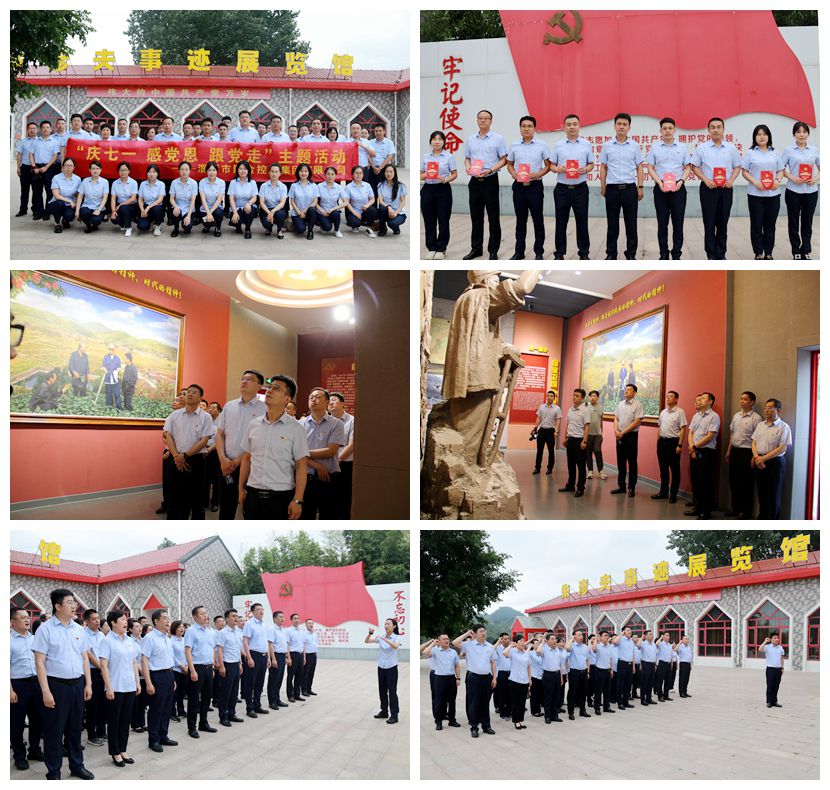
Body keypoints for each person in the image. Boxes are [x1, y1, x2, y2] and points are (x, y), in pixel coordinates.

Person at [32, 589, 94, 780]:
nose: (74, 606)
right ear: (58, 606)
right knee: (54, 731)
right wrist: (45, 691)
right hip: (56, 686)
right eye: (69, 602)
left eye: (74, 602)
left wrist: (88, 684)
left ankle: (77, 765)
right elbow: (39, 662)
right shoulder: (45, 629)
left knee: (75, 729)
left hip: (77, 684)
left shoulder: (79, 629)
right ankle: (54, 772)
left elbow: (85, 658)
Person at [238, 374, 308, 520]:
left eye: (276, 388)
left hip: (281, 498)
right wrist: (241, 489)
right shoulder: (254, 424)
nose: (269, 390)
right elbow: (246, 458)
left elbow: (301, 465)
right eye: (269, 387)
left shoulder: (296, 428)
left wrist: (297, 500)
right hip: (253, 495)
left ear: (287, 399)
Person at [215, 369, 268, 520]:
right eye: (242, 379)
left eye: (249, 379)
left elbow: (261, 441)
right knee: (226, 508)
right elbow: (220, 433)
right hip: (226, 465)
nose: (244, 382)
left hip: (250, 466)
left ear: (259, 386)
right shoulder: (229, 406)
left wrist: (237, 461)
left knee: (249, 509)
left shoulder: (264, 409)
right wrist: (223, 459)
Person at [691, 117, 742, 259]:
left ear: (723, 129)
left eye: (719, 127)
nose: (716, 130)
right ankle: (711, 254)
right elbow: (694, 167)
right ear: (708, 130)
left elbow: (737, 166)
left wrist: (731, 180)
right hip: (708, 189)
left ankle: (721, 253)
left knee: (722, 222)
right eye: (712, 127)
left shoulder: (731, 148)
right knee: (709, 222)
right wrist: (706, 180)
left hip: (726, 189)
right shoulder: (702, 148)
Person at [163, 383, 214, 519]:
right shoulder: (174, 415)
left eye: (194, 392)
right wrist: (176, 456)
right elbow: (168, 436)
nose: (190, 394)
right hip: (175, 459)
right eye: (188, 392)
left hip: (195, 460)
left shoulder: (206, 417)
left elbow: (204, 440)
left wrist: (185, 456)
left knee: (196, 498)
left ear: (200, 397)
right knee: (175, 496)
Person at [462, 110, 507, 261]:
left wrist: (491, 170)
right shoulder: (470, 139)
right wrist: (468, 168)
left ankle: (493, 250)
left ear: (491, 121)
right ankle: (476, 249)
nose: (483, 120)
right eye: (480, 118)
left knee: (493, 217)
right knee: (476, 217)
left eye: (486, 118)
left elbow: (504, 159)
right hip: (475, 182)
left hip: (490, 180)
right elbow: (467, 158)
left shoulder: (498, 138)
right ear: (477, 120)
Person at [599, 112, 644, 260]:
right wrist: (603, 186)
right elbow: (603, 167)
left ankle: (631, 254)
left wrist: (640, 187)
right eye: (619, 124)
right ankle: (611, 254)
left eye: (625, 124)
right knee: (612, 224)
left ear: (629, 127)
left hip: (629, 189)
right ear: (614, 126)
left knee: (631, 224)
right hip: (612, 189)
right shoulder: (607, 145)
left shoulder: (634, 146)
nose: (621, 127)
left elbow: (639, 167)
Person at [645, 117, 692, 260]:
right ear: (660, 131)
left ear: (674, 130)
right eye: (664, 128)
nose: (667, 131)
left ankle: (676, 254)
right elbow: (650, 167)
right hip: (661, 188)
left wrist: (681, 181)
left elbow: (688, 167)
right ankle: (664, 254)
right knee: (662, 223)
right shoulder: (655, 147)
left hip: (678, 188)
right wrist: (659, 183)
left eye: (670, 128)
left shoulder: (682, 147)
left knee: (678, 223)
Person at [550, 113, 594, 260]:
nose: (572, 127)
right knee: (561, 222)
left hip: (580, 189)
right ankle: (559, 254)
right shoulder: (558, 145)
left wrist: (586, 169)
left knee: (582, 222)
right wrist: (557, 169)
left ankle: (584, 253)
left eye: (575, 124)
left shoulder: (586, 144)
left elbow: (591, 164)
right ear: (564, 127)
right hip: (562, 189)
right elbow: (551, 165)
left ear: (579, 126)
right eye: (568, 124)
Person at [98, 611, 139, 768]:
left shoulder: (129, 640)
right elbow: (103, 665)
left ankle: (123, 749)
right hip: (115, 687)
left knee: (125, 720)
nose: (125, 621)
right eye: (122, 619)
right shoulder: (107, 641)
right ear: (113, 622)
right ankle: (115, 752)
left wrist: (137, 682)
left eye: (126, 619)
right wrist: (109, 687)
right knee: (114, 721)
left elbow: (134, 662)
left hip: (129, 686)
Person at [506, 115, 550, 260]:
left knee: (538, 219)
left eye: (529, 126)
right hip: (519, 187)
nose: (526, 129)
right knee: (520, 220)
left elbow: (548, 165)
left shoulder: (542, 145)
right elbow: (509, 164)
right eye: (523, 126)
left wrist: (538, 174)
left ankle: (539, 252)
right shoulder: (514, 145)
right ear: (520, 128)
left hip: (535, 186)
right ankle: (519, 252)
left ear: (534, 128)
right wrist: (513, 173)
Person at [299, 386, 346, 520]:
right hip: (305, 477)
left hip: (329, 478)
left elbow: (331, 451)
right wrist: (317, 466)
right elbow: (294, 452)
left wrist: (303, 453)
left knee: (329, 516)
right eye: (311, 397)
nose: (313, 400)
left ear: (327, 402)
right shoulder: (300, 424)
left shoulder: (336, 424)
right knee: (305, 516)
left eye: (318, 397)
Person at [741, 124, 785, 259]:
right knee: (756, 225)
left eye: (764, 134)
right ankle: (758, 252)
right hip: (755, 195)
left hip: (773, 194)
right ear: (754, 137)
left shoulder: (775, 153)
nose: (762, 137)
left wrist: (777, 180)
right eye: (759, 134)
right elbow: (744, 171)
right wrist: (755, 182)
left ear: (769, 136)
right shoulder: (750, 153)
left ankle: (769, 252)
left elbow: (781, 170)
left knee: (770, 225)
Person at [10, 607, 44, 771]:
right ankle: (19, 756)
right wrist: (10, 690)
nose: (27, 619)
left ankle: (34, 750)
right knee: (16, 723)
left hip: (36, 683)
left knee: (38, 720)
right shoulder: (8, 641)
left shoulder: (35, 639)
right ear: (12, 622)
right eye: (22, 617)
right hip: (18, 685)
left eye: (27, 617)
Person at [782, 121, 821, 260]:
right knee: (793, 222)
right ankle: (796, 251)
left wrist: (816, 179)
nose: (801, 134)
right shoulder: (788, 150)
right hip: (793, 191)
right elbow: (781, 169)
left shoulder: (814, 150)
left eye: (804, 132)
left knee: (807, 222)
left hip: (811, 191)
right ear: (794, 134)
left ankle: (806, 250)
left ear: (808, 134)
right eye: (798, 132)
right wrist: (792, 177)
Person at [140, 610, 177, 753]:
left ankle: (163, 736)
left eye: (168, 618)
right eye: (165, 618)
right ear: (156, 621)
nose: (168, 621)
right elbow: (144, 660)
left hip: (169, 674)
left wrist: (172, 678)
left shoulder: (167, 638)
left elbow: (168, 659)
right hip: (157, 676)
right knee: (156, 709)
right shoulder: (150, 638)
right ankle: (153, 740)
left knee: (167, 708)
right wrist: (148, 683)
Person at [751, 398, 793, 520]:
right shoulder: (760, 425)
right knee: (761, 493)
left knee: (774, 494)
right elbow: (754, 442)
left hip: (775, 463)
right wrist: (756, 456)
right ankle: (762, 520)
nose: (766, 410)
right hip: (759, 460)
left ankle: (773, 523)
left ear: (778, 410)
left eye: (770, 407)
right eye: (765, 407)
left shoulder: (784, 427)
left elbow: (782, 448)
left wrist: (763, 458)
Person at [453, 625, 497, 738]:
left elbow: (493, 662)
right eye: (481, 631)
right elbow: (455, 642)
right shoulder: (468, 645)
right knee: (473, 703)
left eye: (484, 631)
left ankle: (486, 726)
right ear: (475, 633)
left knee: (485, 703)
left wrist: (494, 678)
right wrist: (467, 634)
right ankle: (474, 727)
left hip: (487, 678)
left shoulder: (490, 646)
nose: (484, 633)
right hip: (473, 678)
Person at [421, 130, 457, 259]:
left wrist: (445, 179)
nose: (437, 142)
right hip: (428, 189)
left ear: (444, 142)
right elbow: (420, 174)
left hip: (443, 189)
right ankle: (431, 247)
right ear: (430, 142)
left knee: (443, 219)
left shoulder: (449, 157)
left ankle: (441, 249)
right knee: (429, 220)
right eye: (434, 139)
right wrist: (425, 175)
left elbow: (454, 174)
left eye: (440, 139)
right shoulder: (426, 157)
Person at [725, 390, 762, 519]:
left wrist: (754, 456)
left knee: (746, 484)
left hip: (747, 453)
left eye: (745, 399)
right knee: (734, 482)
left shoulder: (756, 418)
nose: (741, 401)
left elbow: (757, 439)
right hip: (735, 451)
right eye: (741, 398)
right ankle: (736, 509)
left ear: (752, 402)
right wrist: (729, 451)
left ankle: (746, 513)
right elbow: (732, 434)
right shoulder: (736, 416)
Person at [685, 391, 720, 520]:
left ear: (710, 401)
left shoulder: (714, 416)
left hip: (706, 452)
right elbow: (691, 432)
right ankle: (697, 506)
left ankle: (706, 511)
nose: (700, 400)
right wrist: (691, 448)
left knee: (705, 482)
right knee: (695, 480)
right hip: (694, 450)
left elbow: (710, 436)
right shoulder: (696, 416)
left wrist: (694, 446)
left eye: (704, 398)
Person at [183, 605, 216, 739]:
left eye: (206, 613)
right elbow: (187, 651)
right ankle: (192, 727)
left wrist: (212, 667)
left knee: (207, 697)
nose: (205, 615)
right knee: (194, 699)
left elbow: (212, 650)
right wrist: (192, 670)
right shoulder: (191, 631)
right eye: (202, 613)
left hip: (208, 667)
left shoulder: (210, 631)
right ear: (195, 617)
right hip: (197, 668)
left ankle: (203, 723)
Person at [654, 390, 687, 503]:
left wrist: (679, 444)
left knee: (675, 470)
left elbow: (683, 429)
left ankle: (673, 494)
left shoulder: (680, 412)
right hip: (662, 443)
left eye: (670, 396)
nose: (667, 398)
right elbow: (659, 427)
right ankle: (663, 492)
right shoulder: (663, 412)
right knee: (663, 469)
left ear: (676, 399)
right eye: (667, 396)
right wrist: (658, 442)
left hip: (673, 443)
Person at [366, 618, 401, 724]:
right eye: (385, 624)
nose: (386, 626)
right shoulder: (382, 636)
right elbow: (367, 641)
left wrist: (384, 639)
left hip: (392, 668)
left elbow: (395, 646)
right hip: (381, 667)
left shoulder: (396, 637)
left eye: (388, 624)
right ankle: (384, 711)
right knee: (382, 691)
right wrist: (370, 634)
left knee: (392, 692)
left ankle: (394, 715)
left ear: (394, 626)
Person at [611, 383, 644, 496]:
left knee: (632, 462)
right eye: (626, 389)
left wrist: (623, 432)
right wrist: (616, 431)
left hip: (631, 437)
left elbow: (637, 421)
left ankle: (631, 487)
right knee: (620, 462)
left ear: (634, 392)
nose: (626, 391)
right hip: (619, 435)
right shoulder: (620, 404)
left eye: (629, 389)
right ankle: (621, 486)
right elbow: (616, 418)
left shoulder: (638, 405)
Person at [423, 635, 461, 730]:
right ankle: (438, 721)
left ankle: (452, 720)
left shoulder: (453, 652)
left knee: (452, 701)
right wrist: (433, 643)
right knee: (439, 700)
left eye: (447, 638)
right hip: (440, 679)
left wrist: (458, 678)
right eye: (444, 639)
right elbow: (425, 652)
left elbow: (457, 666)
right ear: (439, 641)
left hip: (451, 678)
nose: (446, 640)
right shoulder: (436, 651)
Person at [327, 391, 354, 519]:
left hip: (345, 465)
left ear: (343, 404)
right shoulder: (326, 421)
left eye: (334, 400)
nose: (331, 403)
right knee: (329, 499)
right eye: (329, 401)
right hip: (327, 465)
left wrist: (336, 460)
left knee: (344, 498)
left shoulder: (351, 421)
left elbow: (351, 445)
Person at [559, 388, 590, 497]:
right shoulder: (570, 410)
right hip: (570, 439)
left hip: (579, 440)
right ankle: (570, 485)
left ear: (582, 398)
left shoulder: (585, 410)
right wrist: (565, 437)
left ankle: (581, 487)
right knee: (570, 464)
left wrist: (584, 441)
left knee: (581, 465)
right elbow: (568, 424)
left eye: (577, 396)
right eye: (574, 395)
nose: (574, 397)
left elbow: (587, 426)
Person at [82, 609, 107, 746]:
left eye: (98, 618)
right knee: (93, 705)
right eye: (94, 619)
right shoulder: (84, 634)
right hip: (92, 671)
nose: (97, 621)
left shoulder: (102, 635)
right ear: (87, 621)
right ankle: (92, 734)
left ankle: (102, 731)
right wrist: (101, 668)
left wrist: (105, 669)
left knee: (103, 703)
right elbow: (89, 655)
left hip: (103, 670)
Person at [216, 609, 243, 726]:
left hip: (236, 664)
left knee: (234, 691)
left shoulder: (238, 632)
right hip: (227, 665)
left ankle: (232, 713)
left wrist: (240, 664)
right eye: (233, 616)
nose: (236, 618)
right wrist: (222, 666)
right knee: (225, 692)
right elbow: (219, 651)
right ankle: (223, 716)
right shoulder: (223, 633)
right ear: (227, 619)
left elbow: (237, 650)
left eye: (236, 616)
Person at [241, 602, 269, 717]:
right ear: (252, 612)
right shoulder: (249, 624)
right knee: (250, 683)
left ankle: (257, 705)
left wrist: (268, 657)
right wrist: (249, 657)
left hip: (263, 656)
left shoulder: (264, 624)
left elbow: (265, 642)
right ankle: (250, 708)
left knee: (259, 682)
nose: (261, 611)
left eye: (262, 609)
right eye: (258, 609)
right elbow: (245, 641)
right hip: (254, 655)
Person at [29, 120, 60, 221]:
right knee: (37, 191)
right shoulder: (35, 141)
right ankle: (38, 212)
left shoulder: (55, 142)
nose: (45, 129)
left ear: (51, 129)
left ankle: (47, 212)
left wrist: (46, 167)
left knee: (49, 191)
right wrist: (34, 167)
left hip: (50, 168)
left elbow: (55, 156)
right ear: (40, 129)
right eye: (43, 127)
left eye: (47, 127)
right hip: (37, 168)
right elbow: (31, 154)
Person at [502, 637, 531, 730]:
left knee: (522, 702)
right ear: (516, 643)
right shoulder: (513, 652)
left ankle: (521, 720)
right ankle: (516, 721)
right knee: (515, 702)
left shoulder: (526, 653)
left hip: (525, 681)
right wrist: (511, 645)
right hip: (515, 681)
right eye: (521, 641)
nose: (523, 642)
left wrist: (530, 679)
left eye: (523, 641)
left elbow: (529, 667)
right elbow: (504, 653)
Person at [47, 156, 82, 233]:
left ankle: (65, 220)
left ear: (74, 167)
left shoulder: (77, 179)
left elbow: (77, 195)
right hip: (56, 203)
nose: (68, 167)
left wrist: (77, 207)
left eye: (70, 165)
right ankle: (57, 223)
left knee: (70, 216)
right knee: (60, 204)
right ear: (62, 167)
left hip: (69, 205)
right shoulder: (56, 178)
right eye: (66, 165)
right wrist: (70, 201)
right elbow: (57, 196)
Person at [536, 632, 563, 723]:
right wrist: (543, 641)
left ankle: (554, 715)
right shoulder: (544, 649)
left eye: (555, 639)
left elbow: (559, 664)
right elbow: (538, 651)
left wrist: (561, 677)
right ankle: (547, 716)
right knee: (548, 696)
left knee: (556, 696)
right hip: (548, 675)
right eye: (552, 639)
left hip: (557, 674)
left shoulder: (557, 650)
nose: (554, 641)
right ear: (547, 641)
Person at [77, 160, 109, 233]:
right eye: (93, 168)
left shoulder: (104, 182)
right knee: (83, 212)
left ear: (100, 170)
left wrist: (99, 210)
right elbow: (80, 196)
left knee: (96, 220)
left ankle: (94, 225)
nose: (95, 170)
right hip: (87, 206)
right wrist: (77, 211)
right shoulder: (85, 181)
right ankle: (88, 225)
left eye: (97, 168)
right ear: (90, 170)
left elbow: (105, 198)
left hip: (99, 207)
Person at [288, 162, 319, 239]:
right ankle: (300, 223)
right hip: (297, 212)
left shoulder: (313, 185)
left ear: (309, 173)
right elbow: (292, 201)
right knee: (300, 230)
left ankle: (310, 230)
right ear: (298, 172)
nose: (303, 173)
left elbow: (315, 201)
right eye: (301, 171)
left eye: (306, 171)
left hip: (308, 212)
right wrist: (298, 212)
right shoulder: (294, 185)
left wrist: (304, 211)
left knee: (313, 210)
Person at [344, 166, 377, 236]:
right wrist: (355, 213)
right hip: (354, 211)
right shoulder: (348, 187)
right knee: (355, 223)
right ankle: (355, 224)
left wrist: (367, 205)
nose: (358, 175)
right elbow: (346, 202)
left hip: (365, 210)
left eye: (360, 173)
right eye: (356, 173)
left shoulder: (367, 185)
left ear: (363, 174)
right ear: (352, 175)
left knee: (372, 210)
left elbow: (372, 199)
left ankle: (369, 228)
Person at [565, 630, 590, 720]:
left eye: (582, 635)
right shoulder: (572, 646)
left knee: (583, 692)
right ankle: (571, 712)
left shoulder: (585, 646)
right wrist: (572, 639)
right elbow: (567, 648)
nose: (581, 636)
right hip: (574, 672)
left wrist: (588, 672)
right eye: (579, 635)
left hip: (583, 672)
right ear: (574, 636)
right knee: (573, 692)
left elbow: (587, 660)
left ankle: (582, 710)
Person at [266, 610, 289, 710]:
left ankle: (277, 699)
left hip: (282, 656)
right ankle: (272, 702)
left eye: (283, 617)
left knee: (279, 679)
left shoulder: (283, 630)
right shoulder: (272, 629)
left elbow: (284, 644)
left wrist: (286, 657)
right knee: (273, 679)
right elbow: (270, 644)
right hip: (275, 656)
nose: (282, 619)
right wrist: (273, 659)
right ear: (274, 619)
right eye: (280, 617)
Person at [258, 163, 289, 238]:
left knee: (280, 215)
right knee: (266, 224)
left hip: (279, 209)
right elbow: (261, 203)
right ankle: (268, 228)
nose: (274, 174)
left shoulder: (283, 187)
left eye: (276, 172)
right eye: (272, 171)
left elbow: (282, 203)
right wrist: (269, 212)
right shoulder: (263, 186)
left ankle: (279, 229)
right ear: (269, 173)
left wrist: (272, 212)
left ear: (280, 173)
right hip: (266, 209)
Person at [109, 161, 138, 237]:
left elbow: (133, 198)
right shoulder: (115, 183)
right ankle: (124, 225)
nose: (123, 172)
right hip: (120, 207)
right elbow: (113, 199)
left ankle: (128, 227)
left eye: (125, 170)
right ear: (118, 171)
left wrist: (120, 205)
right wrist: (113, 211)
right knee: (114, 219)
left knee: (123, 207)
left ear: (129, 171)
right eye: (121, 170)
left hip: (132, 206)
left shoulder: (133, 182)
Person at [168, 161, 197, 237]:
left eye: (186, 170)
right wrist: (175, 206)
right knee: (175, 211)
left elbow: (193, 200)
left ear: (190, 171)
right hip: (178, 207)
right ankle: (176, 228)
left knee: (187, 227)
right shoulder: (174, 183)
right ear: (179, 171)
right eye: (182, 169)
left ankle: (186, 224)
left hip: (189, 209)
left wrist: (188, 216)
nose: (184, 172)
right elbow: (171, 198)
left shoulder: (193, 183)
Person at [15, 121, 38, 217]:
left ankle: (35, 209)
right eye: (30, 128)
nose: (32, 130)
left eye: (34, 128)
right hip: (24, 168)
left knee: (36, 190)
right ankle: (23, 210)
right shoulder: (23, 141)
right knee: (24, 190)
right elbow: (19, 154)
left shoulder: (40, 141)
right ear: (27, 130)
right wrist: (18, 167)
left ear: (37, 130)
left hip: (35, 168)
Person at [315, 166, 346, 237]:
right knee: (327, 228)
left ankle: (337, 230)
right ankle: (323, 225)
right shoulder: (319, 186)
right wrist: (321, 210)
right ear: (325, 175)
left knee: (336, 213)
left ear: (335, 175)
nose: (330, 176)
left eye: (332, 174)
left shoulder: (338, 187)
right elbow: (314, 201)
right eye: (328, 174)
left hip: (333, 211)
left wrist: (334, 208)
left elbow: (346, 202)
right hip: (322, 212)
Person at [366, 122, 396, 196]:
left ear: (384, 131)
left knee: (383, 189)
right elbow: (368, 155)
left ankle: (383, 203)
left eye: (380, 131)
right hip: (372, 169)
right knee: (372, 189)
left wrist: (380, 168)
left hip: (384, 169)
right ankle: (374, 203)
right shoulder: (370, 142)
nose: (378, 133)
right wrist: (374, 167)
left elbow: (390, 156)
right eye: (376, 131)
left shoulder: (389, 143)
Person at [377, 164, 407, 236]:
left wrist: (396, 212)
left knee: (392, 223)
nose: (389, 174)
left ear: (394, 173)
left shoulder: (401, 186)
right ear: (384, 173)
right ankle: (383, 229)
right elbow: (380, 201)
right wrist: (388, 207)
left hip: (398, 212)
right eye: (387, 172)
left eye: (391, 171)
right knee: (381, 209)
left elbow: (403, 201)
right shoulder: (380, 185)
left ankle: (396, 228)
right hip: (387, 210)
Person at [588, 632, 614, 715]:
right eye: (605, 635)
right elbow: (594, 649)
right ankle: (597, 708)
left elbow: (610, 659)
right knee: (598, 691)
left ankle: (606, 707)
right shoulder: (598, 646)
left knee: (607, 690)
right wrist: (596, 639)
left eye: (607, 635)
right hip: (600, 671)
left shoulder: (609, 646)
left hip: (607, 671)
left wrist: (611, 669)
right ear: (601, 637)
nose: (607, 637)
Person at [137, 164, 166, 236]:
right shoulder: (143, 184)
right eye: (149, 172)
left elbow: (160, 199)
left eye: (154, 172)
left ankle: (158, 226)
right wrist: (142, 210)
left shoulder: (161, 184)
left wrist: (148, 207)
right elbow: (140, 199)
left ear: (157, 174)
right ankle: (150, 222)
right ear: (147, 173)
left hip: (156, 207)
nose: (151, 174)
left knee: (156, 209)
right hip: (146, 207)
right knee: (142, 226)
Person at [611, 627, 635, 710]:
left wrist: (633, 666)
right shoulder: (621, 639)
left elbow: (632, 654)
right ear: (624, 632)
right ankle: (620, 702)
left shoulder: (631, 641)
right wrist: (621, 634)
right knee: (620, 684)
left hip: (629, 664)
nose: (630, 631)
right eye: (627, 630)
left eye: (630, 630)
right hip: (622, 664)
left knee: (628, 684)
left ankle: (626, 701)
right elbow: (614, 642)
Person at [198, 161, 225, 237]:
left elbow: (219, 200)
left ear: (217, 171)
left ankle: (218, 228)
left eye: (214, 170)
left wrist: (210, 213)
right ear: (206, 171)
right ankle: (207, 226)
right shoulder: (202, 182)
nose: (212, 172)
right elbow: (203, 200)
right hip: (205, 208)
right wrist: (208, 213)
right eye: (209, 170)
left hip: (216, 207)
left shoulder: (221, 182)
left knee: (218, 213)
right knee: (205, 221)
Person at [585, 390, 607, 481]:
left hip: (598, 434)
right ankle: (590, 471)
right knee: (588, 452)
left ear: (597, 397)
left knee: (597, 451)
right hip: (588, 434)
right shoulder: (586, 406)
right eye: (591, 396)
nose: (592, 397)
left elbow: (601, 419)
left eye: (594, 396)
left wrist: (602, 430)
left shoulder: (601, 407)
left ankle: (600, 471)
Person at [286, 613, 306, 702]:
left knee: (299, 675)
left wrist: (304, 657)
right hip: (292, 655)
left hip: (300, 655)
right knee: (290, 676)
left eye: (298, 618)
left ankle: (297, 694)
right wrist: (288, 658)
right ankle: (290, 695)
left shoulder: (302, 631)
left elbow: (303, 644)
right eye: (295, 618)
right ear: (291, 620)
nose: (297, 620)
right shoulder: (288, 631)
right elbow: (287, 644)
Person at [170, 621, 188, 721]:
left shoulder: (184, 640)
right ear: (174, 629)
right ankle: (172, 712)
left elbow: (187, 653)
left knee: (182, 692)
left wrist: (187, 666)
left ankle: (181, 710)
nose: (182, 629)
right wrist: (181, 666)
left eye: (183, 627)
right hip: (176, 669)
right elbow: (172, 656)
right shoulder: (171, 641)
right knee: (174, 693)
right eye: (180, 627)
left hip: (185, 669)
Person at [761, 634, 785, 708]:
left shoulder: (780, 648)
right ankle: (769, 701)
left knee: (776, 686)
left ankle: (774, 701)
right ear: (771, 639)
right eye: (775, 638)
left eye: (777, 638)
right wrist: (765, 641)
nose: (777, 639)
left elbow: (782, 659)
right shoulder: (767, 647)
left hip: (778, 669)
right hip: (770, 669)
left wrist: (782, 668)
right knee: (770, 686)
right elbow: (760, 649)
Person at [492, 633, 511, 720]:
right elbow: (491, 649)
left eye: (508, 638)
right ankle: (502, 713)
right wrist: (498, 642)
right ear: (501, 639)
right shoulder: (498, 648)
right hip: (501, 673)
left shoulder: (511, 648)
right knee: (502, 694)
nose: (507, 640)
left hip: (511, 673)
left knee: (510, 694)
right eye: (505, 639)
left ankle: (509, 712)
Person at [638, 630, 657, 705]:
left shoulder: (653, 644)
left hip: (652, 664)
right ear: (645, 636)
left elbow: (654, 655)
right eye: (650, 634)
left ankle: (649, 698)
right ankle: (643, 699)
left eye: (652, 634)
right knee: (644, 682)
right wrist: (642, 638)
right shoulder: (643, 643)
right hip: (645, 664)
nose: (652, 636)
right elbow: (638, 645)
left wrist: (655, 665)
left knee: (650, 682)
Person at [101, 343, 122, 410]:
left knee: (117, 394)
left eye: (112, 349)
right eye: (109, 349)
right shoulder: (105, 357)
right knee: (108, 394)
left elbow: (119, 367)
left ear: (114, 350)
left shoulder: (117, 358)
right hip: (108, 378)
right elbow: (103, 366)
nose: (110, 350)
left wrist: (118, 370)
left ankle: (119, 408)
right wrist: (104, 369)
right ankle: (109, 407)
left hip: (115, 379)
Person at [655, 633, 675, 702]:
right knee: (660, 680)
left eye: (669, 635)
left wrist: (671, 664)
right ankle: (660, 696)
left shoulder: (669, 645)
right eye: (666, 635)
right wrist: (660, 638)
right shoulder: (661, 644)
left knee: (667, 680)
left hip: (668, 664)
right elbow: (656, 644)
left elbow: (670, 655)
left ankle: (666, 695)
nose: (668, 636)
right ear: (663, 637)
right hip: (662, 663)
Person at [302, 619, 318, 696]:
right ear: (306, 624)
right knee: (305, 673)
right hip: (307, 655)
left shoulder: (314, 633)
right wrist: (304, 657)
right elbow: (303, 645)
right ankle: (304, 690)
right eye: (309, 623)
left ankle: (309, 689)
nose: (311, 624)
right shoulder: (304, 633)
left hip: (314, 655)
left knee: (311, 673)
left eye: (312, 623)